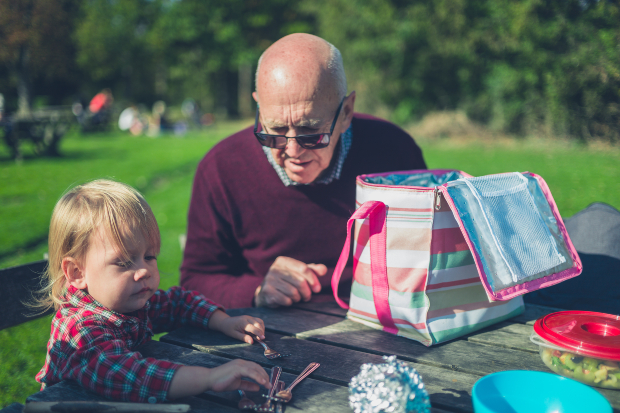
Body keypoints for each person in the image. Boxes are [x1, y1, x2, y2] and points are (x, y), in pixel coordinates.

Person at [180, 33, 427, 309]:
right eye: (274, 130)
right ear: (259, 109)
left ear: (346, 112)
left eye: (311, 131)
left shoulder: (394, 151)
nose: (293, 151)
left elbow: (429, 252)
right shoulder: (221, 168)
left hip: (385, 313)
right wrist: (257, 289)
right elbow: (195, 278)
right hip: (270, 327)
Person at [35, 180, 270, 402]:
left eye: (149, 257)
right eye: (125, 262)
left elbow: (180, 303)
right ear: (77, 272)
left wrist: (224, 322)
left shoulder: (127, 302)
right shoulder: (80, 331)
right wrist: (209, 378)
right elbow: (133, 376)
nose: (144, 271)